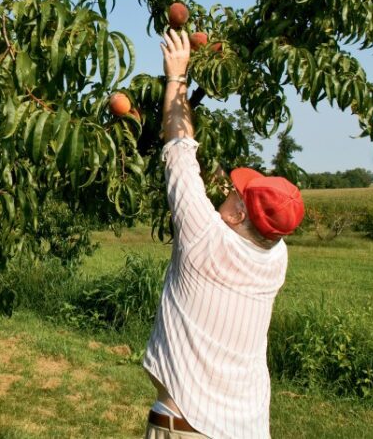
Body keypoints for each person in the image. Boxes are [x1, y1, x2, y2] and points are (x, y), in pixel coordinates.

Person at [142, 29, 305, 439]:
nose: (227, 193)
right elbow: (244, 211)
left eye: (234, 195)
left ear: (236, 214)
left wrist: (176, 77)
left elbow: (179, 147)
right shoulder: (275, 259)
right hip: (247, 428)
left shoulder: (204, 240)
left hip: (187, 428)